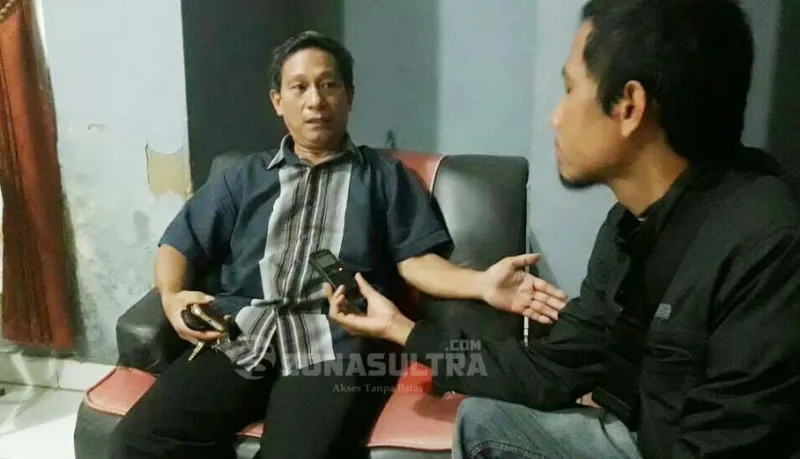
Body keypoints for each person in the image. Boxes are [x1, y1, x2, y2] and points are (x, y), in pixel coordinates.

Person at [325, 1, 800, 458]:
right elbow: (554, 370)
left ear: (629, 106)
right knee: (481, 420)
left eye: (570, 89)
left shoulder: (769, 243)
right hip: (643, 435)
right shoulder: (627, 225)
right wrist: (401, 329)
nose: (555, 116)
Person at [108, 30, 567, 459]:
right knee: (134, 443)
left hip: (334, 344)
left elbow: (416, 262)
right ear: (278, 101)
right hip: (242, 332)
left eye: (329, 85)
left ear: (349, 96)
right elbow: (179, 243)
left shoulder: (384, 178)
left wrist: (482, 283)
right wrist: (172, 296)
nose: (315, 101)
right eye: (299, 87)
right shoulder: (244, 177)